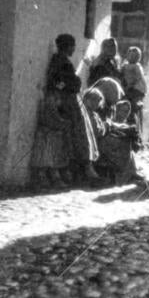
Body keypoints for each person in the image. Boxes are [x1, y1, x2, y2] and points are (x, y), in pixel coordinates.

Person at [45, 34, 101, 185]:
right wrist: (67, 87)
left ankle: (80, 170)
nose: (74, 49)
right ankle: (82, 170)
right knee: (77, 132)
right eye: (72, 46)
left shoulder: (61, 61)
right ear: (67, 46)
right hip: (67, 102)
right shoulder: (60, 62)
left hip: (70, 100)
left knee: (79, 132)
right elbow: (57, 82)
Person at [29, 90, 70, 191]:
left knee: (53, 157)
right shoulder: (48, 106)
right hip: (46, 137)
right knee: (45, 158)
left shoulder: (50, 107)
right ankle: (43, 177)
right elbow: (52, 121)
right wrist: (65, 124)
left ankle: (53, 176)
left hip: (51, 136)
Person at [121, 46, 147, 135]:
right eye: (131, 55)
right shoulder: (126, 65)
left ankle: (136, 131)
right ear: (127, 55)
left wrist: (129, 85)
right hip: (131, 88)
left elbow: (136, 78)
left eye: (136, 56)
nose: (133, 58)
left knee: (133, 107)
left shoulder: (136, 66)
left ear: (138, 58)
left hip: (137, 88)